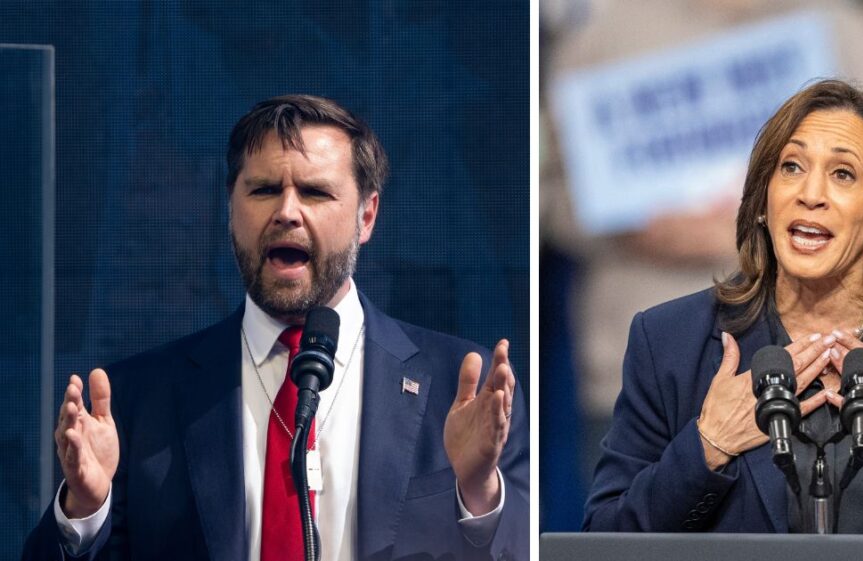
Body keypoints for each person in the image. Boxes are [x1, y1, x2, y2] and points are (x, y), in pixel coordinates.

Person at [21, 95, 529, 560]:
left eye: (315, 192)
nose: (287, 212)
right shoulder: (140, 398)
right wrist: (84, 510)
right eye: (264, 190)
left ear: (367, 216)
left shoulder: (461, 386)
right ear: (231, 208)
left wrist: (478, 490)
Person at [583, 80, 863, 534]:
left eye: (843, 174)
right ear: (764, 199)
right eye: (791, 167)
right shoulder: (670, 341)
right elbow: (607, 537)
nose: (811, 194)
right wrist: (708, 444)